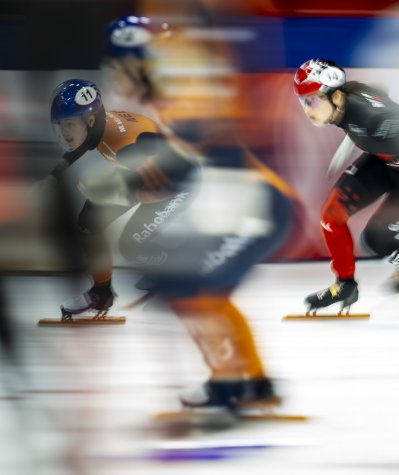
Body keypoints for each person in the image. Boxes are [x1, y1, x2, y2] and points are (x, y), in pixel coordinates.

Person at [97, 15, 297, 412]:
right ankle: (250, 384)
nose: (117, 79)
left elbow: (212, 159)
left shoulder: (183, 100)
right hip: (247, 205)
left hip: (257, 207)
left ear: (142, 63)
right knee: (204, 297)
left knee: (195, 294)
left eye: (120, 68)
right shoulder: (171, 101)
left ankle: (239, 387)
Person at [293, 59, 399, 313]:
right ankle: (345, 285)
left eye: (313, 99)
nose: (307, 108)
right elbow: (379, 90)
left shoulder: (376, 123)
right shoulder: (350, 95)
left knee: (375, 240)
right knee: (331, 217)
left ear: (337, 96)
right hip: (383, 161)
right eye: (303, 101)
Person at [49, 79, 197, 319]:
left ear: (90, 120)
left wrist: (118, 193)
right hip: (140, 173)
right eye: (61, 126)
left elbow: (163, 185)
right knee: (88, 223)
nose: (65, 133)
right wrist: (54, 175)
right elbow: (79, 145)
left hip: (176, 183)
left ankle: (184, 276)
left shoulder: (127, 146)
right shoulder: (96, 127)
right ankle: (101, 294)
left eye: (68, 125)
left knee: (131, 245)